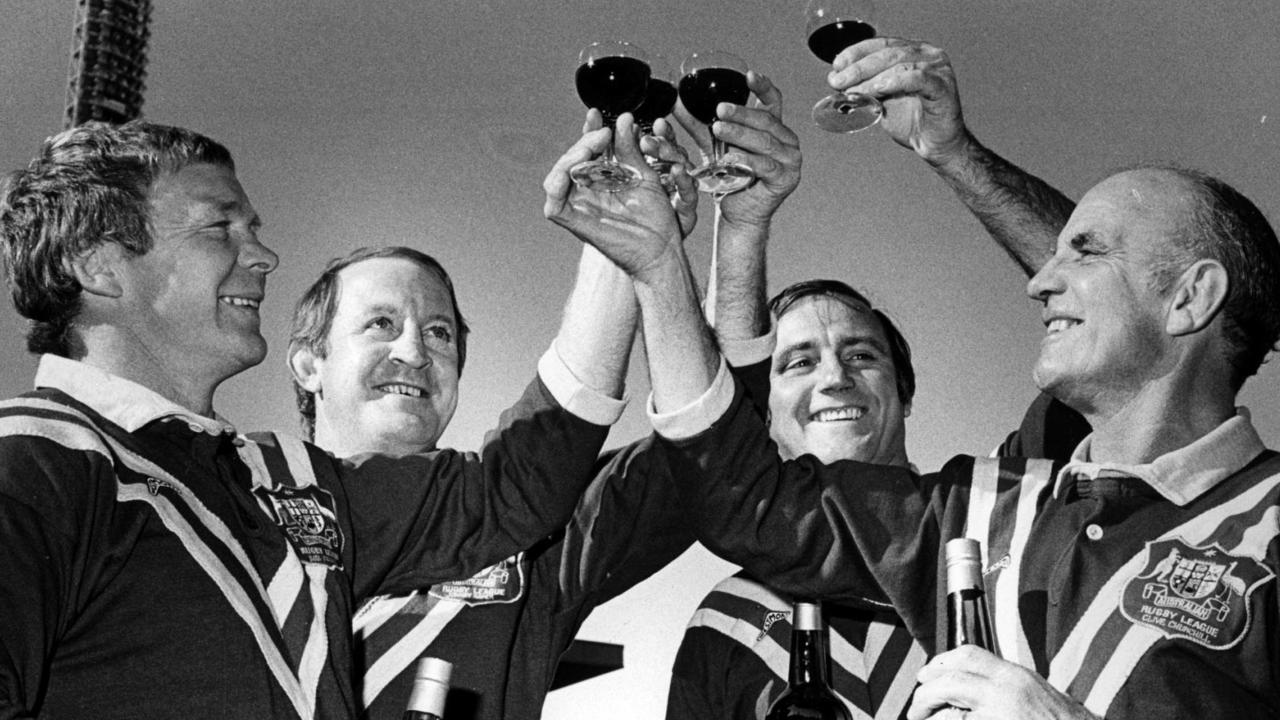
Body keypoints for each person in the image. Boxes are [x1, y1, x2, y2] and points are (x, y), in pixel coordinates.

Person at [572, 105, 1280, 717]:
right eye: (798, 362)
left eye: (1085, 251)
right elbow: (738, 492)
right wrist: (664, 263)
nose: (1038, 280)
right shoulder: (977, 514)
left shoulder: (1261, 520)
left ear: (1191, 299)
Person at [0, 120, 633, 719]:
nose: (265, 255)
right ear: (99, 266)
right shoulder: (35, 460)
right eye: (220, 228)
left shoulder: (288, 483)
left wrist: (619, 247)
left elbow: (517, 487)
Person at [665, 43, 1092, 720]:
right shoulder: (728, 624)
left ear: (905, 390)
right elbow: (713, 424)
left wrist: (953, 152)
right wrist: (740, 230)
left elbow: (1111, 313)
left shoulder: (995, 516)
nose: (835, 378)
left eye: (862, 356)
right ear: (763, 411)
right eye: (798, 361)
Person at [284, 244, 696, 720]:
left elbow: (703, 453)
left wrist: (710, 236)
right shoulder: (239, 503)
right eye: (381, 324)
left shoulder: (527, 542)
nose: (415, 352)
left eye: (439, 333)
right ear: (309, 364)